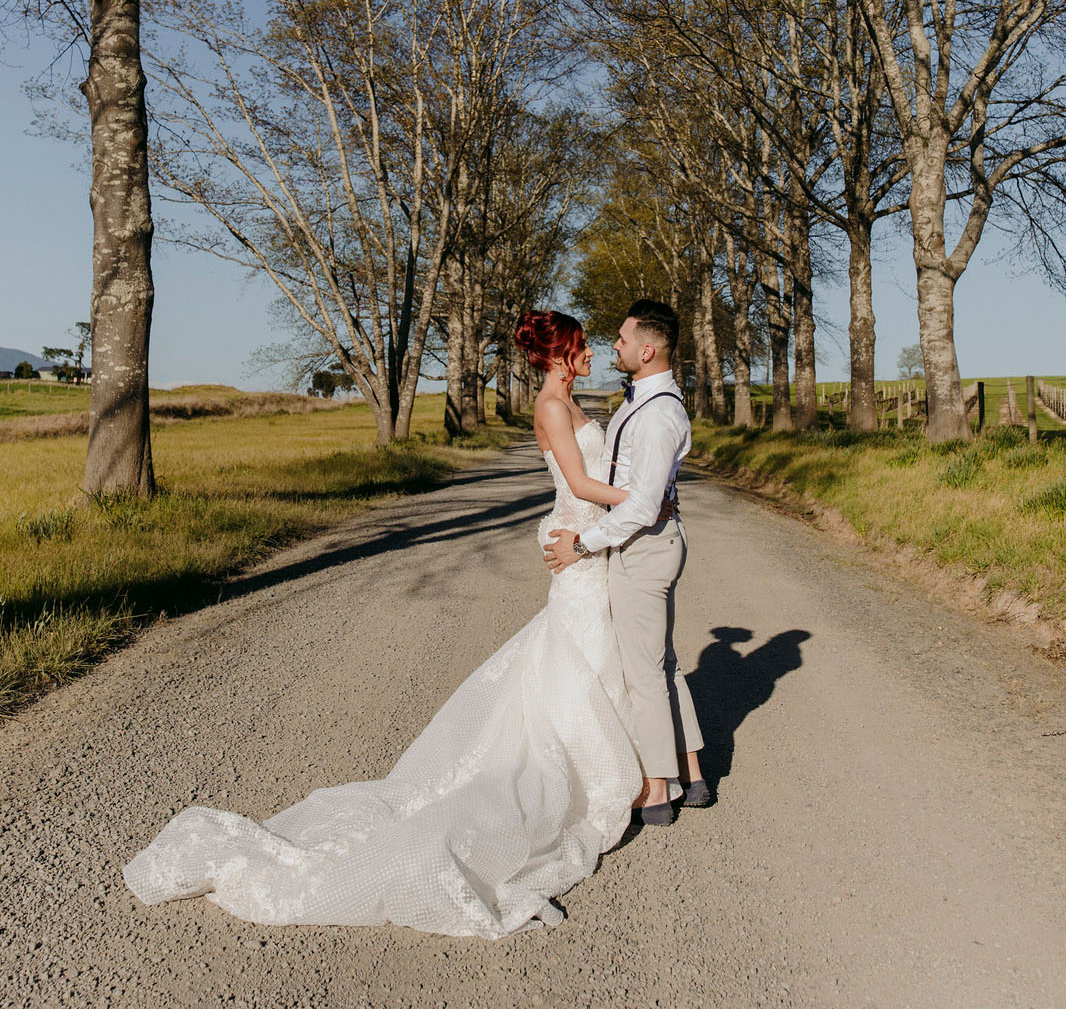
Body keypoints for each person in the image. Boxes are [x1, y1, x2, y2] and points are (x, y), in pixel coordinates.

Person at [122, 310, 644, 938]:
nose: (591, 352)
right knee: (578, 652)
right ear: (559, 354)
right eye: (582, 345)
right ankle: (586, 775)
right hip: (580, 540)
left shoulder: (572, 401)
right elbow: (580, 484)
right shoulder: (553, 407)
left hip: (590, 542)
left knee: (584, 655)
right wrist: (645, 500)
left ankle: (607, 760)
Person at [543, 298, 708, 824]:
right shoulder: (640, 402)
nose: (611, 346)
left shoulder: (658, 414)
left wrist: (582, 544)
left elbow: (640, 504)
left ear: (648, 349)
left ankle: (657, 792)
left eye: (621, 338)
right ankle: (692, 772)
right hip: (636, 541)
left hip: (642, 547)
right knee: (662, 663)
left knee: (644, 673)